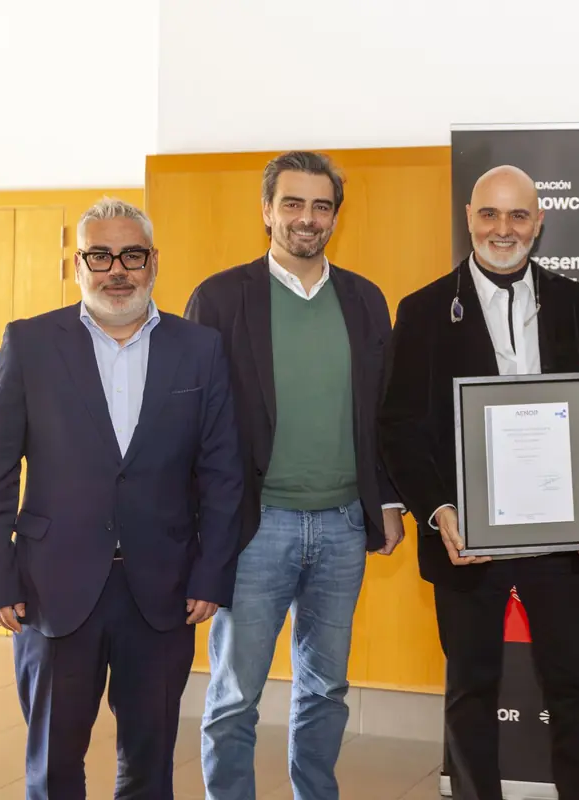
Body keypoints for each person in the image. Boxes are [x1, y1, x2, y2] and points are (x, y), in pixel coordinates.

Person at [0, 198, 242, 799]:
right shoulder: (29, 344)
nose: (116, 269)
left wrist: (210, 573)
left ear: (154, 262)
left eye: (132, 254)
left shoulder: (198, 349)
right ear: (78, 264)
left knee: (149, 766)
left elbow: (223, 473)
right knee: (54, 764)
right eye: (100, 255)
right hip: (51, 590)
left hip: (163, 591)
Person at [377, 164, 579, 800]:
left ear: (539, 223)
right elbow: (399, 427)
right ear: (469, 219)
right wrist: (437, 511)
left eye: (518, 215)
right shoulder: (425, 309)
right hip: (468, 536)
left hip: (560, 537)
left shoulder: (575, 301)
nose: (503, 229)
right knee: (470, 692)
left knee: (575, 689)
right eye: (490, 214)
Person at [185, 151, 406, 800]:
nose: (307, 218)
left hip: (342, 528)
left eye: (321, 205)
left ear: (335, 215)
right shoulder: (221, 297)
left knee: (326, 688)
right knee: (234, 696)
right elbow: (192, 419)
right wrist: (201, 528)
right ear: (266, 210)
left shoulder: (365, 299)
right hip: (256, 529)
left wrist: (387, 501)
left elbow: (381, 412)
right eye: (293, 203)